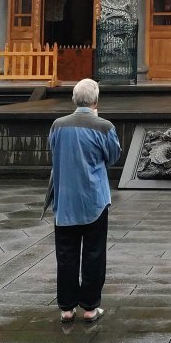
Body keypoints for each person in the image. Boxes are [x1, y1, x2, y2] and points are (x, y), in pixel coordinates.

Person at [45, 78, 121, 324]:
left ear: (74, 99)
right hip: (94, 201)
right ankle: (90, 307)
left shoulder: (58, 125)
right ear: (96, 101)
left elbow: (53, 152)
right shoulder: (104, 126)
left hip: (64, 200)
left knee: (65, 255)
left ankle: (66, 308)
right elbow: (113, 156)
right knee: (94, 253)